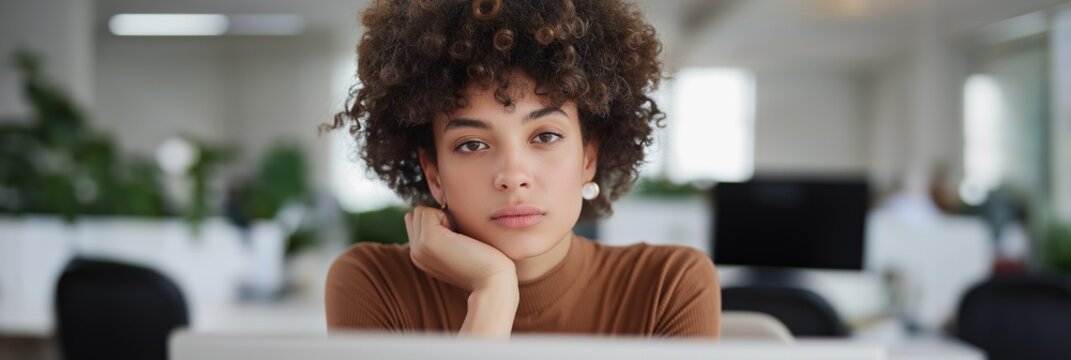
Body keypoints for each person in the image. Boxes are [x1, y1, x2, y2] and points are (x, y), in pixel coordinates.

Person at [324, 0, 720, 339]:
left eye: (545, 136)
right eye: (472, 144)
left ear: (588, 159)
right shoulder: (373, 283)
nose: (513, 175)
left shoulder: (669, 285)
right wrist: (493, 293)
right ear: (434, 175)